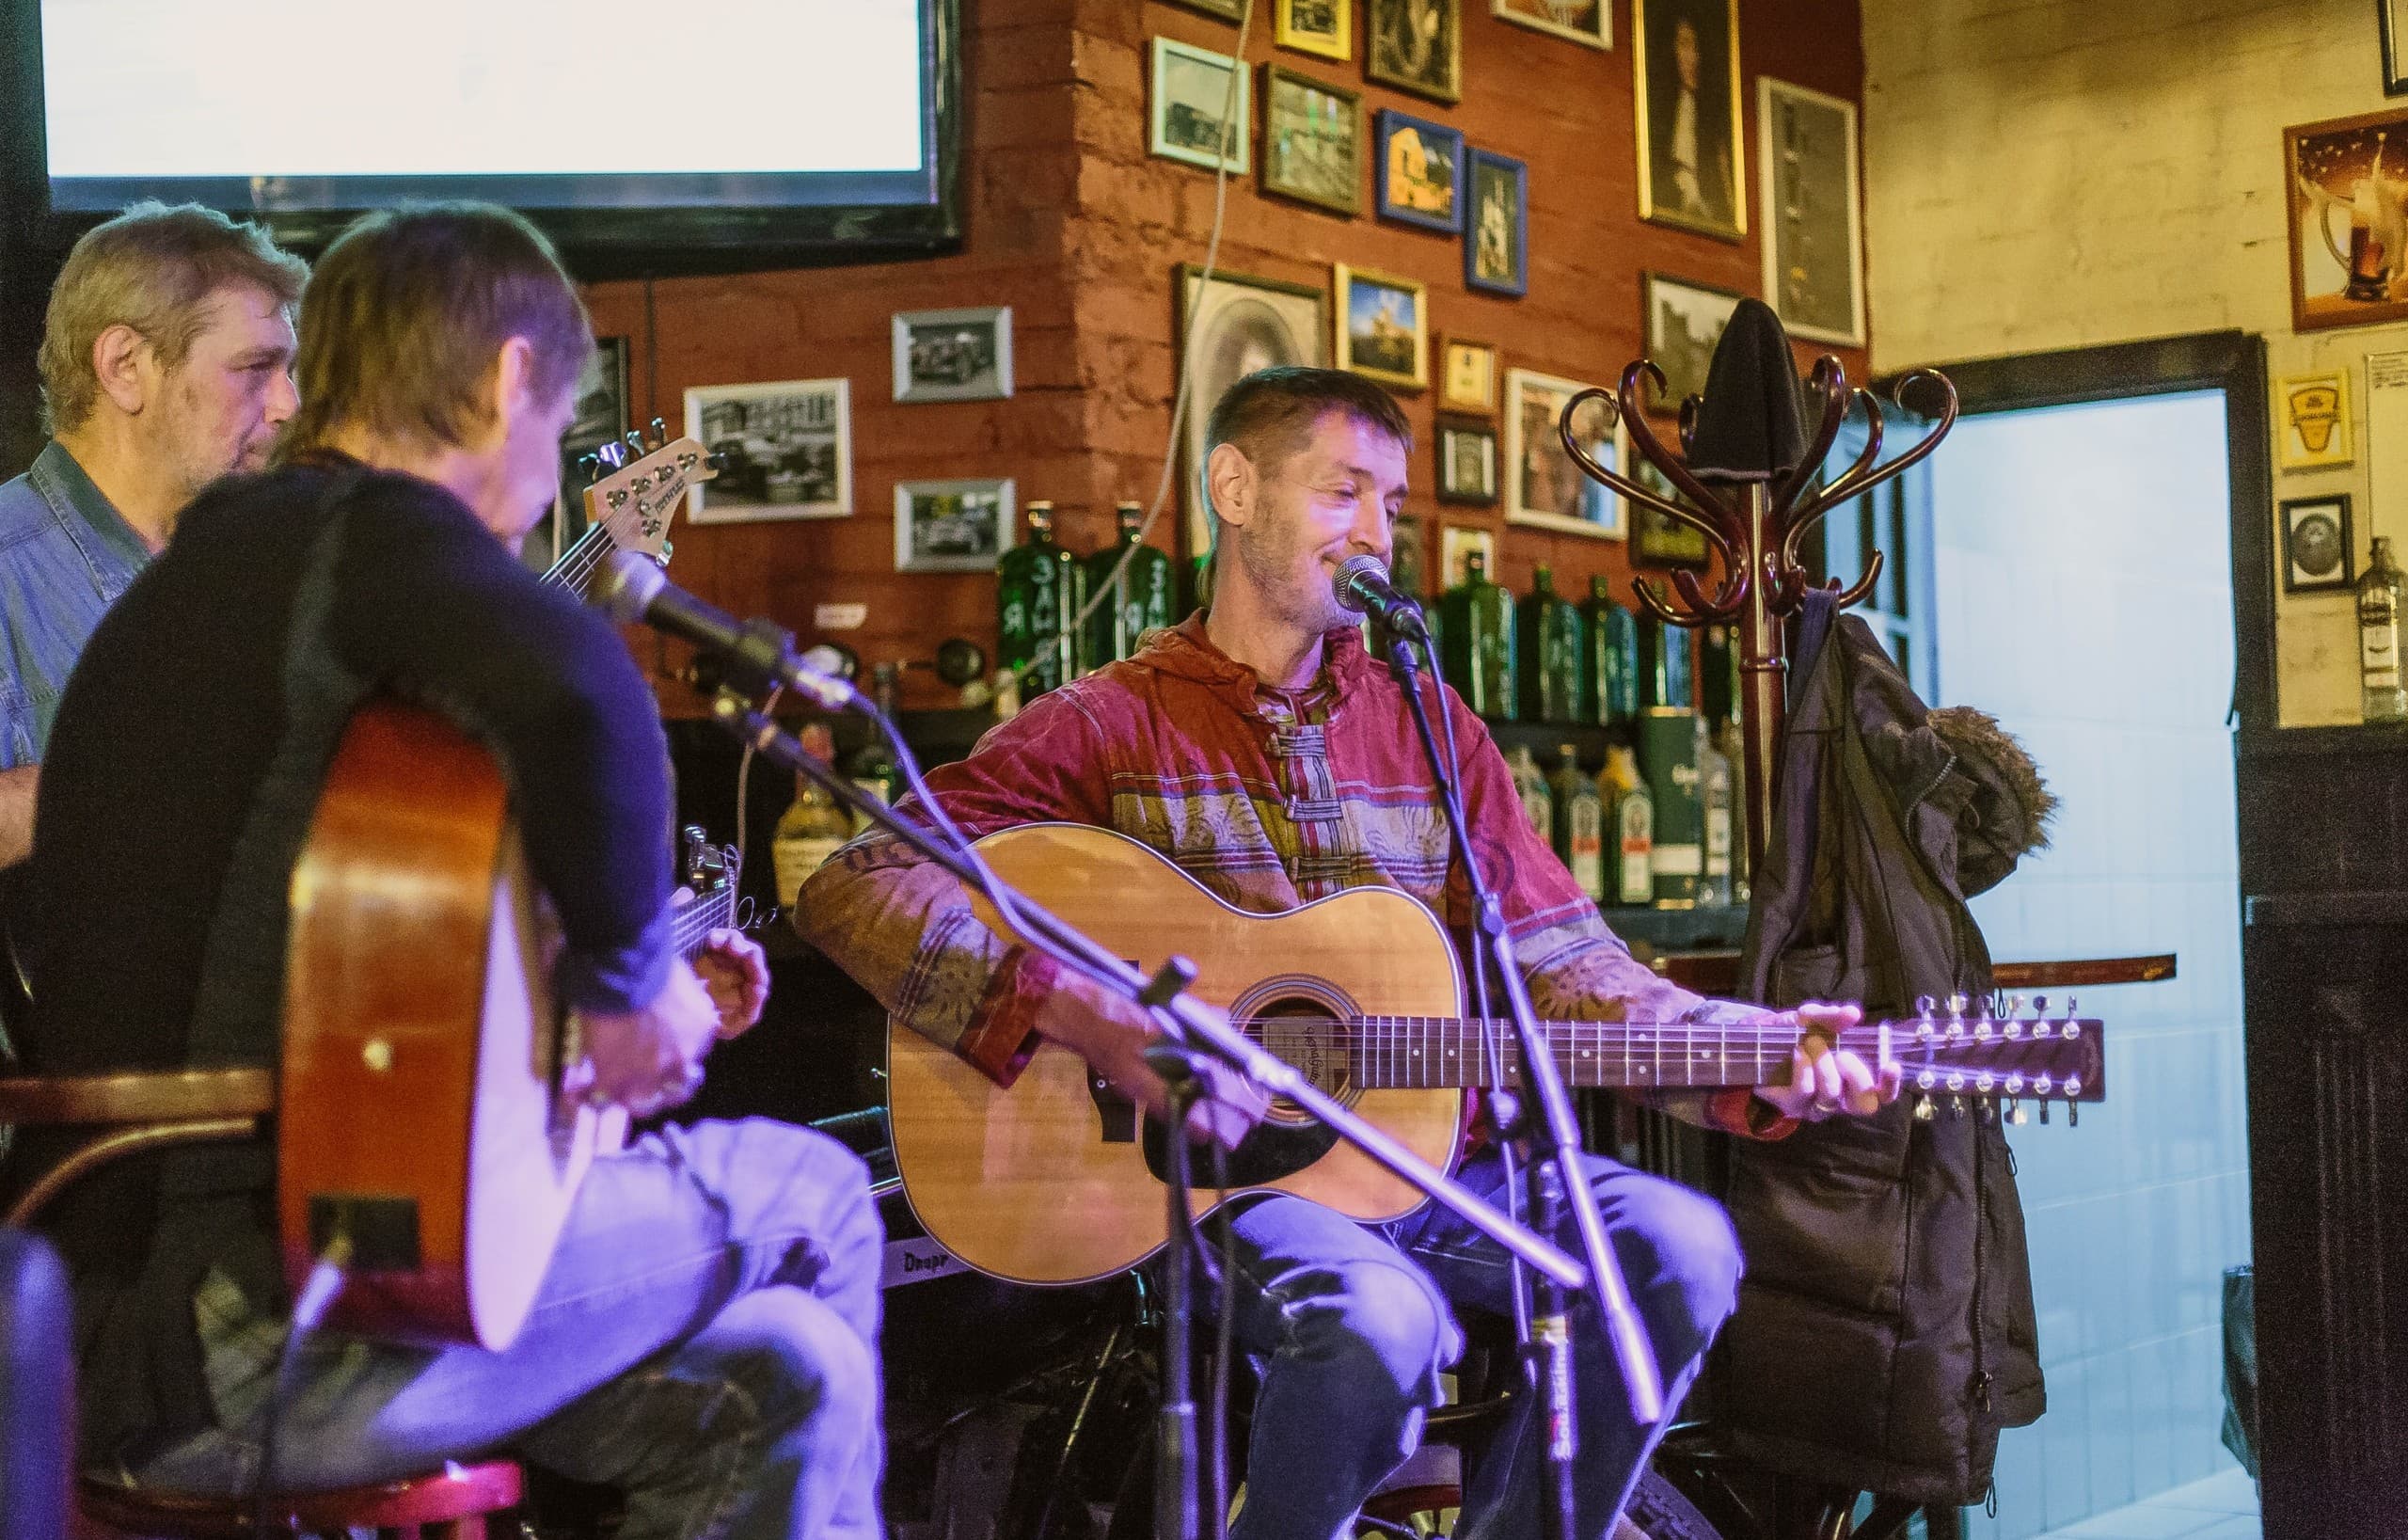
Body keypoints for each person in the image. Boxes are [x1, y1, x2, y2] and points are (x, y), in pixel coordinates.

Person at [800, 365, 1897, 1540]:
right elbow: (855, 881)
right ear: (1233, 486)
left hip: (1439, 1169)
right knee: (1380, 1317)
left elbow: (1564, 961)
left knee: (1679, 1247)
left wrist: (1753, 1044)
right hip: (1218, 1187)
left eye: (1393, 505)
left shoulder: (1429, 720)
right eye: (1343, 492)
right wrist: (1076, 1009)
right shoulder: (1104, 722)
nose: (1378, 533)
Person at [16, 203, 880, 1540]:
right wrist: (626, 988)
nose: (546, 483)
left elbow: (358, 967)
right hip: (252, 1328)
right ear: (505, 384)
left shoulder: (242, 563)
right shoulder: (357, 539)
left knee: (789, 1375)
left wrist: (575, 1016)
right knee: (814, 1189)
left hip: (203, 1305)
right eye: (556, 429)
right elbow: (588, 695)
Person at [0, 202, 306, 867]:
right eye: (256, 368)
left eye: (289, 372)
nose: (289, 405)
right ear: (124, 365)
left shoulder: (261, 559)